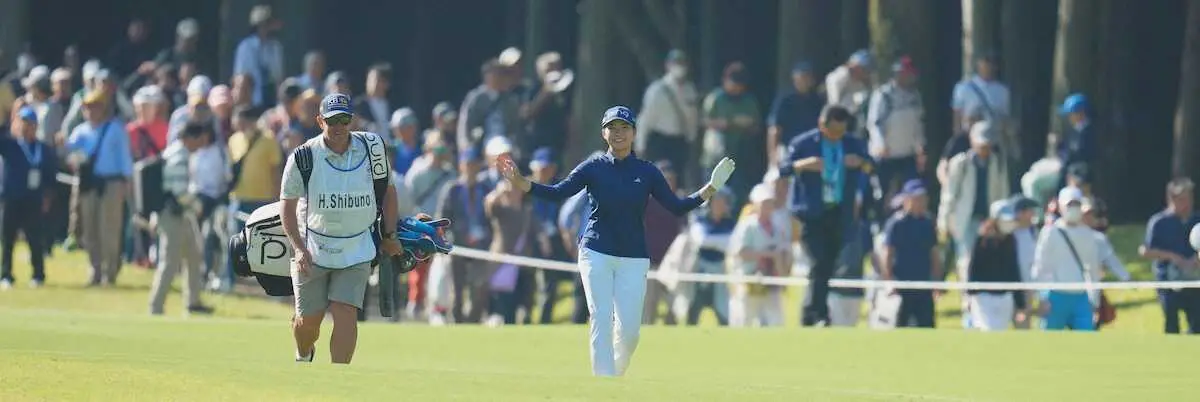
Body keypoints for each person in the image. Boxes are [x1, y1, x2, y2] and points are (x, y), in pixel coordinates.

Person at [497, 105, 733, 377]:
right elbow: (557, 192)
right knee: (601, 318)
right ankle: (604, 384)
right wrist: (521, 182)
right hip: (596, 251)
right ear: (603, 133)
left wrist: (710, 189)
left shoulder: (647, 172)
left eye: (624, 128)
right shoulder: (593, 167)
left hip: (633, 256)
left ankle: (615, 374)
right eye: (613, 128)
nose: (618, 133)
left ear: (634, 133)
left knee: (630, 332)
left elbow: (676, 207)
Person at [279, 93, 404, 364]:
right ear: (320, 120)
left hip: (357, 248)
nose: (338, 127)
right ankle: (304, 352)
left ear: (352, 120)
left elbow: (389, 193)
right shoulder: (303, 157)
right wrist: (299, 249)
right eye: (332, 120)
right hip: (313, 250)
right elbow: (287, 208)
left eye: (344, 120)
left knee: (345, 311)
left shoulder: (372, 148)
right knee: (308, 324)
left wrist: (390, 234)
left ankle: (338, 381)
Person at [777, 104, 873, 327]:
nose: (837, 136)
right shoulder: (803, 144)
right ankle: (816, 314)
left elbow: (872, 165)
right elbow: (783, 169)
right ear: (822, 125)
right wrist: (803, 165)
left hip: (839, 212)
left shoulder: (852, 144)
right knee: (818, 260)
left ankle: (814, 313)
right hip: (811, 214)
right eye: (834, 131)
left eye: (842, 131)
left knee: (827, 264)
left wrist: (861, 163)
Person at [66, 89, 134, 287]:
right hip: (88, 184)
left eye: (95, 107)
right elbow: (70, 153)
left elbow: (124, 157)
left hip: (112, 183)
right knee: (89, 229)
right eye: (87, 107)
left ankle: (110, 271)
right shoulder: (80, 131)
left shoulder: (115, 128)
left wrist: (127, 182)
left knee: (110, 229)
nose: (91, 111)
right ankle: (94, 269)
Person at [148, 121, 214, 315]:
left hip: (180, 214)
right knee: (169, 261)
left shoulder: (174, 152)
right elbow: (179, 191)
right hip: (173, 214)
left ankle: (193, 301)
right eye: (199, 139)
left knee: (193, 255)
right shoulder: (180, 155)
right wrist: (197, 205)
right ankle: (156, 305)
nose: (201, 143)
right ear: (189, 138)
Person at [1031, 187, 1105, 331]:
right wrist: (1041, 298)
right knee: (1049, 345)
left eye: (1077, 204)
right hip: (1055, 296)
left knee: (1086, 344)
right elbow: (1040, 266)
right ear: (1060, 206)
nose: (1073, 209)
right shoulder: (1049, 233)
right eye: (1069, 205)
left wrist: (1094, 301)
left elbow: (1093, 269)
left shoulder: (1088, 234)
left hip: (1081, 297)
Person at [0, 107, 56, 290]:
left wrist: (47, 197)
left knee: (35, 239)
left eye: (30, 124)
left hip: (33, 199)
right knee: (8, 239)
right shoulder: (11, 145)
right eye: (23, 123)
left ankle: (38, 274)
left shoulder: (43, 149)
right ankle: (6, 274)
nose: (26, 128)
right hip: (12, 198)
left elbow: (50, 176)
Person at [1140, 178, 1200, 334]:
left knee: (1197, 323)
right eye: (1182, 199)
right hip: (1167, 282)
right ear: (1171, 199)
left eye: (1189, 198)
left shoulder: (1197, 220)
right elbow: (1146, 251)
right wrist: (1173, 257)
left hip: (1194, 281)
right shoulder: (1159, 222)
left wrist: (1196, 259)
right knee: (1172, 324)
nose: (1187, 203)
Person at [880, 180, 942, 328]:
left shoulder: (928, 223)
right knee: (900, 326)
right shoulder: (896, 224)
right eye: (917, 198)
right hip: (901, 286)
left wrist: (937, 281)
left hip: (923, 285)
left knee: (927, 327)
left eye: (923, 198)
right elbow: (887, 253)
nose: (921, 202)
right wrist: (888, 281)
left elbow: (934, 253)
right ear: (907, 199)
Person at [727, 183, 790, 327]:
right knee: (745, 321)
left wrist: (782, 275)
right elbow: (740, 252)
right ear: (755, 204)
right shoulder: (747, 226)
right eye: (764, 203)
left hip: (771, 282)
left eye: (770, 203)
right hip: (749, 281)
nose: (767, 207)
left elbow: (782, 253)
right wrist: (767, 254)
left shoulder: (777, 228)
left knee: (775, 322)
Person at [965, 200, 1025, 331]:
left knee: (999, 332)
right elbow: (973, 270)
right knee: (987, 331)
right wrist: (969, 296)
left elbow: (1014, 271)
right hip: (983, 298)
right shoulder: (982, 240)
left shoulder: (1011, 240)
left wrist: (1020, 304)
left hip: (1005, 298)